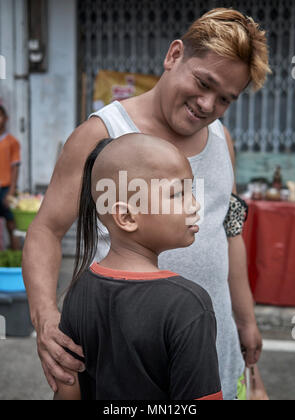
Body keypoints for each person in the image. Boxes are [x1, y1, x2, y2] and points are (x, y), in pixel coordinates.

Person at [22, 8, 271, 400]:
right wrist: (45, 316)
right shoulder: (102, 135)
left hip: (214, 350)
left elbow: (229, 229)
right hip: (130, 366)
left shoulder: (223, 139)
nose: (208, 105)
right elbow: (46, 230)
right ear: (174, 56)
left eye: (225, 99)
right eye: (203, 83)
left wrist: (246, 319)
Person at [53, 133, 222, 400]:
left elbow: (67, 390)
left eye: (191, 190)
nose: (195, 205)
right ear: (127, 216)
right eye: (178, 193)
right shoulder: (188, 304)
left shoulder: (79, 290)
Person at [0, 105, 21, 250]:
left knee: (11, 224)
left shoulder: (12, 141)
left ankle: (16, 258)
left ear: (5, 118)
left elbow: (15, 167)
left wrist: (11, 191)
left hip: (5, 188)